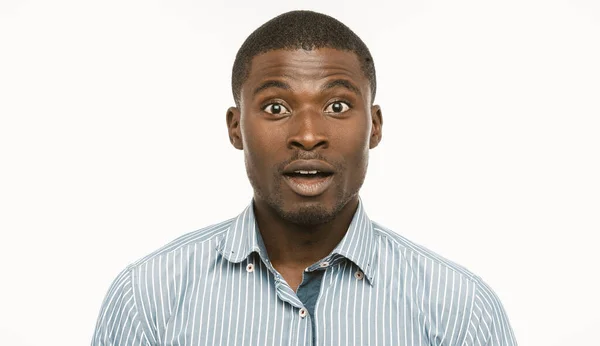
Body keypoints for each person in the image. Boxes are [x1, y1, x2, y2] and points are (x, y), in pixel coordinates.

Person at [92, 10, 517, 346]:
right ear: (236, 128)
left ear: (375, 126)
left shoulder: (461, 309)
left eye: (337, 106)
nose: (309, 136)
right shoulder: (147, 299)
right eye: (276, 107)